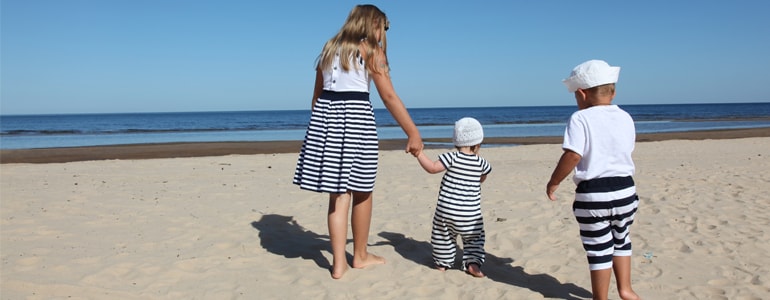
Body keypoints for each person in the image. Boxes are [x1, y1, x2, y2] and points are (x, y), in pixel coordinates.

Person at [292, 4, 423, 279]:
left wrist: (323, 128)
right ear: (372, 24)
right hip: (356, 119)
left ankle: (338, 263)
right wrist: (412, 131)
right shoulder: (371, 50)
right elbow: (388, 96)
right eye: (383, 27)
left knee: (338, 194)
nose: (384, 33)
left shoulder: (329, 48)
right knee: (362, 189)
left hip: (325, 120)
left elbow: (316, 96)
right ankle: (360, 256)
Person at [546, 59, 641, 300]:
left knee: (599, 248)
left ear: (582, 94)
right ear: (613, 91)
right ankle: (626, 289)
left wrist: (554, 181)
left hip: (594, 194)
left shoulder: (580, 118)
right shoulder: (625, 117)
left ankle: (601, 297)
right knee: (622, 239)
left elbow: (573, 154)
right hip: (626, 191)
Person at [416, 117, 491, 278]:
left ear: (456, 142)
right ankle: (473, 264)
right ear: (478, 143)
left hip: (446, 211)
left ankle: (442, 264)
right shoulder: (482, 163)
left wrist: (419, 154)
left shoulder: (451, 157)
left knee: (442, 237)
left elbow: (432, 168)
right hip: (471, 215)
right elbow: (482, 177)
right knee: (474, 239)